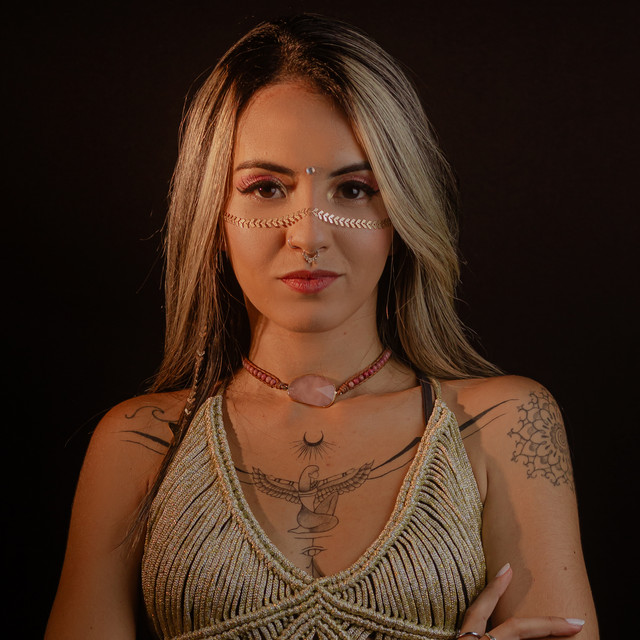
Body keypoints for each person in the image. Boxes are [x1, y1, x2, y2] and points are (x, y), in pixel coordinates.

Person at [45, 14, 598, 640]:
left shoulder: (506, 424)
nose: (308, 235)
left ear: (401, 213)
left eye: (354, 190)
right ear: (213, 213)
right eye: (265, 188)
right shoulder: (139, 443)